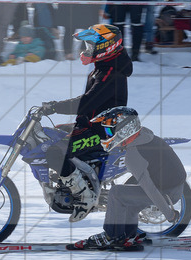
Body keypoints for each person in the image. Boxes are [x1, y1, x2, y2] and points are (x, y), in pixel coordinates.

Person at [39, 24, 133, 221]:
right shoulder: (104, 68)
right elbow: (90, 102)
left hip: (101, 134)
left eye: (90, 45)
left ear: (105, 47)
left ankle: (85, 196)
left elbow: (87, 102)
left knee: (55, 152)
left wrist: (55, 107)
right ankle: (72, 182)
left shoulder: (112, 73)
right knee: (53, 134)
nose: (86, 49)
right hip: (93, 126)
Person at [71, 106, 187, 250]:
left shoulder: (133, 155)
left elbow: (149, 188)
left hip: (168, 193)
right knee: (128, 201)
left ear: (124, 130)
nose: (106, 136)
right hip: (172, 187)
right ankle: (127, 235)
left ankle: (111, 236)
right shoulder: (145, 135)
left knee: (116, 193)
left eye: (109, 131)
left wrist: (169, 214)